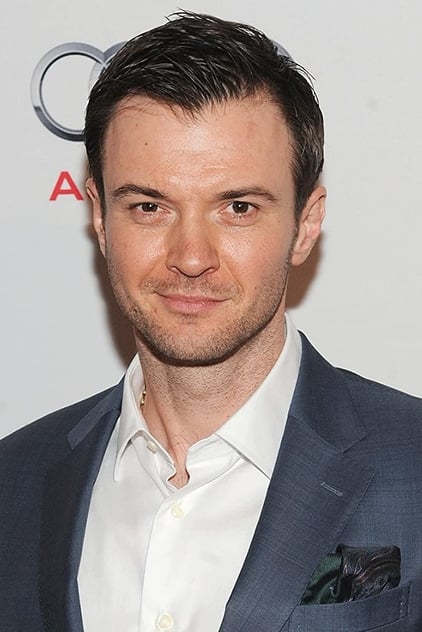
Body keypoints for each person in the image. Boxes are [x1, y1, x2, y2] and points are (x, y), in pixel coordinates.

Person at [1, 11, 421, 632]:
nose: (191, 257)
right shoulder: (15, 481)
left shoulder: (412, 465)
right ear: (100, 220)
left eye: (238, 207)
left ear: (306, 224)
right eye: (149, 206)